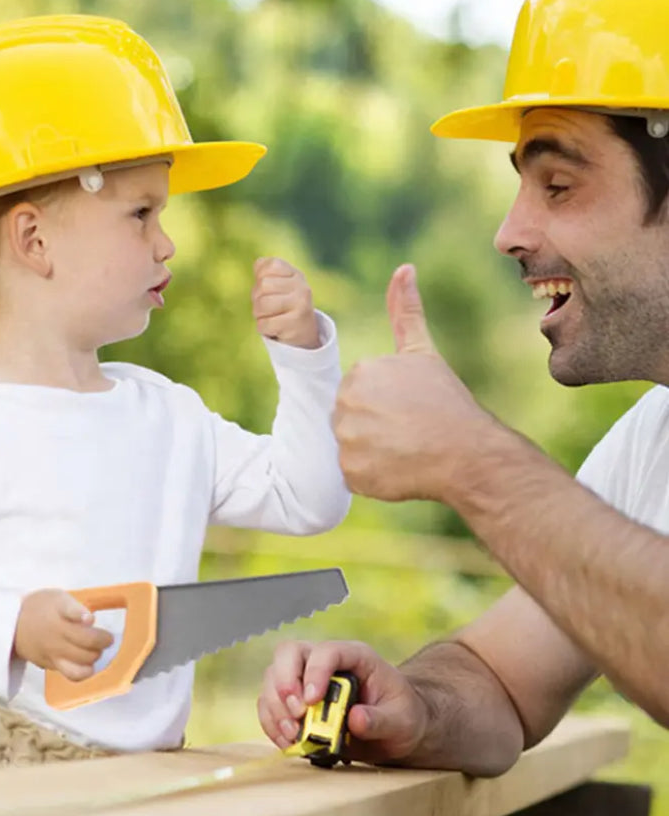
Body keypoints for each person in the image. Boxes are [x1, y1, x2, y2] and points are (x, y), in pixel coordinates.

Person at [0, 15, 350, 772]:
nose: (166, 242)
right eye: (141, 214)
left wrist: (303, 358)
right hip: (10, 770)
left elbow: (309, 500)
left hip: (146, 773)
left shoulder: (170, 416)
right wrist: (11, 626)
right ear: (34, 241)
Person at [258, 0, 669, 777]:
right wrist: (413, 707)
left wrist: (474, 462)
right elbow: (504, 682)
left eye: (558, 184)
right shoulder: (654, 437)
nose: (509, 232)